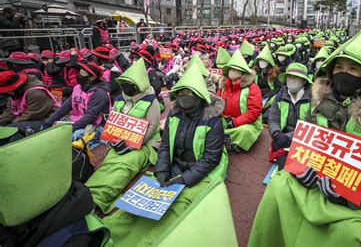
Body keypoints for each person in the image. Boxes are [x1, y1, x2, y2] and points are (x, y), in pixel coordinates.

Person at [249, 28, 361, 246]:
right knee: (278, 187)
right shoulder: (318, 101)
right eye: (338, 67)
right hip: (315, 181)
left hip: (357, 197)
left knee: (350, 234)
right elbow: (304, 145)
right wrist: (301, 170)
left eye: (352, 69)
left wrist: (351, 196)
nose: (343, 73)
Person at [101, 64, 227, 245]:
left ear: (199, 96)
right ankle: (107, 232)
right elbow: (166, 146)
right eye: (182, 93)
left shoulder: (213, 120)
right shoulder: (174, 115)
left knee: (180, 207)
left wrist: (185, 179)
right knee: (144, 201)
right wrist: (161, 170)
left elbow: (210, 159)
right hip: (176, 164)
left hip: (201, 171)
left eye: (190, 93)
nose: (185, 97)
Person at [85, 58, 161, 213]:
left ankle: (98, 199)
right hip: (120, 144)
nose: (126, 86)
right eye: (124, 82)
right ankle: (87, 194)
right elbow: (113, 121)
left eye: (130, 83)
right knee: (109, 162)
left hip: (145, 145)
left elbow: (152, 127)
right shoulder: (119, 100)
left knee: (125, 165)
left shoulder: (150, 101)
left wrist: (134, 144)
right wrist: (113, 140)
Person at [44, 62, 111, 141]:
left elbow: (91, 116)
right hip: (77, 122)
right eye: (80, 72)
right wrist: (48, 122)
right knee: (53, 130)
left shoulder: (99, 93)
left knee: (71, 136)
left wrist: (72, 128)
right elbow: (66, 106)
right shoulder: (78, 88)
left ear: (92, 77)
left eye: (82, 73)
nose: (79, 75)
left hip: (95, 126)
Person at [268, 63, 312, 169]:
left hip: (305, 140)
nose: (292, 80)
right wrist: (277, 134)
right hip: (283, 137)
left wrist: (290, 136)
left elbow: (313, 124)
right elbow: (273, 119)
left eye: (296, 77)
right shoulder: (280, 96)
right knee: (284, 166)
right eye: (290, 76)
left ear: (304, 81)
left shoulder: (313, 98)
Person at [218, 49, 263, 152]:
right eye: (230, 69)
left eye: (235, 69)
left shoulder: (252, 88)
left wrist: (235, 122)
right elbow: (217, 107)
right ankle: (226, 140)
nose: (231, 71)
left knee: (245, 131)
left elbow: (253, 112)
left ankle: (225, 141)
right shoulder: (223, 87)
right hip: (226, 122)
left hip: (244, 124)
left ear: (242, 72)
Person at [0, 71, 59, 138]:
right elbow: (10, 111)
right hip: (24, 119)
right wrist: (4, 120)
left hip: (45, 120)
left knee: (12, 131)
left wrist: (10, 123)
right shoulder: (14, 94)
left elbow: (32, 115)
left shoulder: (36, 93)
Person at [253, 45, 281, 122]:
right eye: (260, 60)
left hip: (270, 97)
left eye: (264, 61)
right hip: (257, 96)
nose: (261, 63)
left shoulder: (275, 73)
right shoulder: (255, 73)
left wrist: (268, 95)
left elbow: (278, 88)